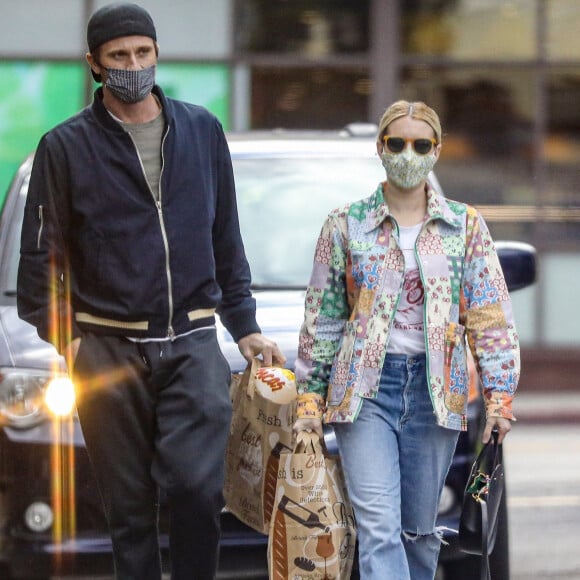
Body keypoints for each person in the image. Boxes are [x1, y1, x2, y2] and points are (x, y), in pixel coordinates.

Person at [17, 3, 285, 579]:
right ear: (94, 64)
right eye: (118, 56)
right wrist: (74, 345)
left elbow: (226, 238)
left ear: (157, 53)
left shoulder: (202, 131)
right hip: (107, 352)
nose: (133, 65)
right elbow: (38, 268)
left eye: (142, 52)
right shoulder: (63, 148)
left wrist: (245, 326)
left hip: (191, 342)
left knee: (195, 489)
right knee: (130, 510)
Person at [293, 100, 519, 579]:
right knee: (377, 529)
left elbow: (489, 317)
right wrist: (310, 402)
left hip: (435, 395)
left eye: (421, 144)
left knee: (418, 533)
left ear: (436, 151)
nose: (408, 153)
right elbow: (324, 318)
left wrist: (499, 398)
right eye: (397, 143)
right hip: (365, 394)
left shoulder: (466, 226)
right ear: (380, 148)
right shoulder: (345, 225)